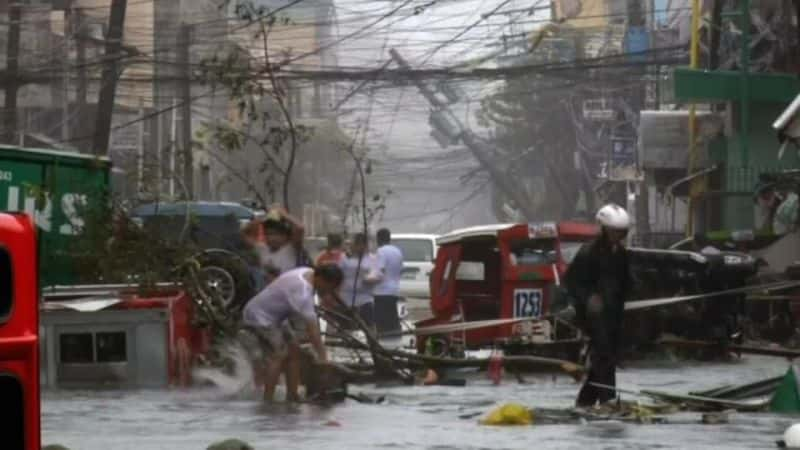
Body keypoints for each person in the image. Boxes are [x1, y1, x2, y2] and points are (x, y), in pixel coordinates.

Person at [241, 264, 343, 402]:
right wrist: (324, 358)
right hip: (259, 316)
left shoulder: (309, 272)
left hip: (276, 317)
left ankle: (292, 395)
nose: (328, 291)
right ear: (321, 279)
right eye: (329, 287)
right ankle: (268, 400)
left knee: (294, 349)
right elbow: (313, 332)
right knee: (279, 354)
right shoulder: (302, 292)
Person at [564, 203, 631, 408]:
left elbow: (625, 282)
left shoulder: (620, 253)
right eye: (614, 232)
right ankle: (608, 401)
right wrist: (589, 297)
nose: (617, 237)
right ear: (603, 229)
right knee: (604, 356)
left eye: (621, 233)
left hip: (613, 315)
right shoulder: (588, 252)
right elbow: (572, 282)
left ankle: (584, 401)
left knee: (608, 355)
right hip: (592, 316)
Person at [339, 233, 383, 329]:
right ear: (354, 245)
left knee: (369, 326)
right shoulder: (345, 258)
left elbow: (379, 275)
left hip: (365, 299)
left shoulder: (372, 259)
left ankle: (372, 343)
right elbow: (338, 275)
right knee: (346, 327)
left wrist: (371, 278)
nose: (361, 247)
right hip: (346, 300)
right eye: (357, 244)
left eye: (364, 245)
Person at [373, 228, 404, 336]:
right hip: (394, 290)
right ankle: (395, 339)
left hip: (381, 291)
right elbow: (400, 270)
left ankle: (383, 342)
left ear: (379, 239)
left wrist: (368, 280)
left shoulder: (381, 251)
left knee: (381, 321)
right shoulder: (397, 251)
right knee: (392, 318)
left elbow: (380, 271)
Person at [259, 206, 307, 275]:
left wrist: (283, 214)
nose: (272, 238)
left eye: (276, 234)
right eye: (269, 234)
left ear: (286, 236)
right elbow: (244, 234)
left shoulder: (290, 249)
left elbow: (300, 228)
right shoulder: (262, 249)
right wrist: (263, 217)